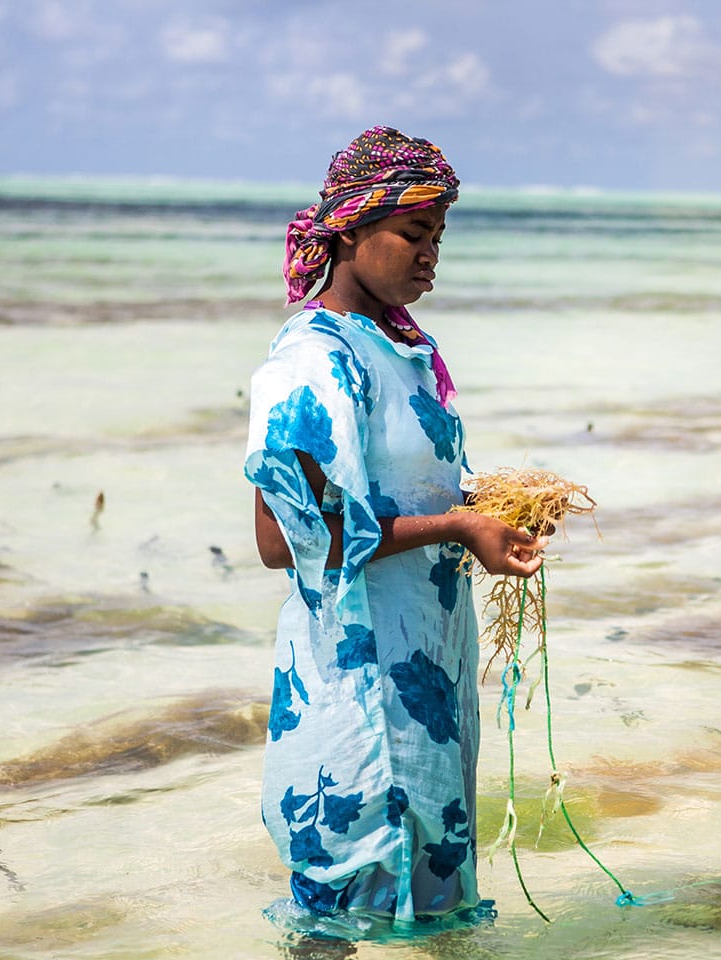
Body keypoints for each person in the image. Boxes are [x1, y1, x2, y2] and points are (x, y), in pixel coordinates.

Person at [244, 126, 547, 924]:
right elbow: (284, 540)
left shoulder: (400, 348)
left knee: (429, 912)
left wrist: (491, 510)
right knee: (345, 913)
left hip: (428, 681)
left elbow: (403, 489)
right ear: (350, 227)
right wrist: (455, 526)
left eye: (439, 237)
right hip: (358, 684)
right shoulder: (313, 361)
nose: (430, 255)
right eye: (414, 233)